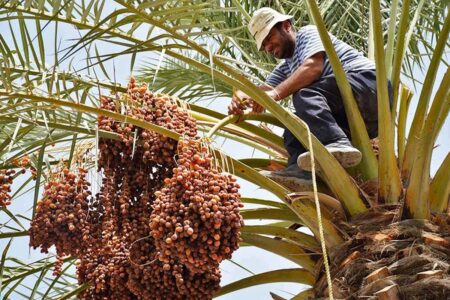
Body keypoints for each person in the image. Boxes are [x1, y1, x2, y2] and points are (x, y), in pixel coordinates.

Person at [228, 7, 391, 190]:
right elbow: (265, 89)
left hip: (371, 87)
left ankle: (337, 143)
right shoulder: (286, 67)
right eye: (263, 45)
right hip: (362, 121)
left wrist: (275, 95)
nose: (267, 48)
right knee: (294, 130)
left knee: (305, 94)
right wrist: (242, 95)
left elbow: (313, 68)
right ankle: (301, 172)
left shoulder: (308, 33)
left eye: (269, 38)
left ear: (286, 26)